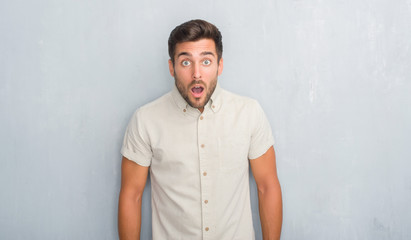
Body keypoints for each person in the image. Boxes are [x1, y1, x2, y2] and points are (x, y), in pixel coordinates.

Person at [118, 19, 282, 240]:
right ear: (171, 67)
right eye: (186, 62)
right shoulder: (145, 120)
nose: (196, 73)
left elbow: (267, 186)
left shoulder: (249, 113)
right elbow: (132, 195)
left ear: (219, 66)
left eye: (206, 61)